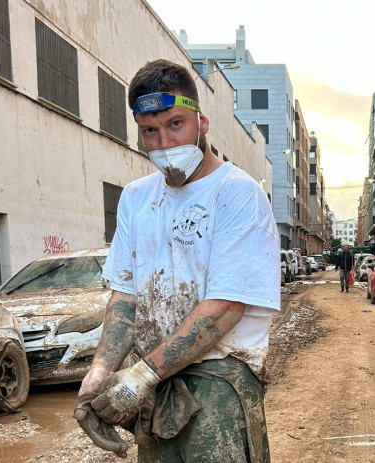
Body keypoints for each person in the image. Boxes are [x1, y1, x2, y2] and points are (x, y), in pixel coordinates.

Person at [74, 59, 279, 462]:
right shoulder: (135, 198)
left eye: (175, 124)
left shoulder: (236, 193)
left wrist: (140, 376)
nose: (165, 144)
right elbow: (126, 297)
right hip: (154, 384)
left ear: (202, 122)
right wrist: (100, 372)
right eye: (150, 131)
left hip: (219, 379)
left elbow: (225, 309)